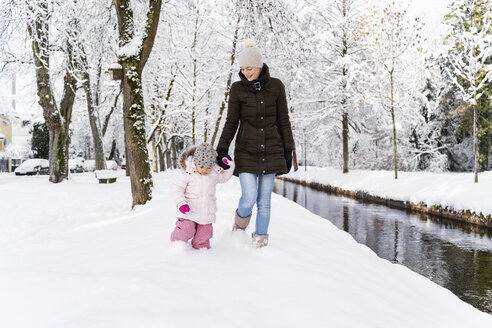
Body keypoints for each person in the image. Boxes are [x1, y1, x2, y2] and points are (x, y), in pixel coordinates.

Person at [216, 39, 295, 248]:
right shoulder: (237, 89)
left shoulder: (277, 87)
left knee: (265, 203)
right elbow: (232, 121)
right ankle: (238, 231)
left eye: (249, 68)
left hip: (272, 151)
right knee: (249, 197)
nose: (246, 72)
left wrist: (289, 150)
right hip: (246, 151)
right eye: (242, 69)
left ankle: (260, 244)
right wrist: (222, 148)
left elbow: (284, 120)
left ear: (259, 66)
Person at [171, 142, 235, 249]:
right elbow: (176, 189)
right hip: (189, 211)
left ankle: (201, 254)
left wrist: (229, 166)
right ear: (195, 162)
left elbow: (224, 177)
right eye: (201, 166)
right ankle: (177, 244)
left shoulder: (213, 174)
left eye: (208, 167)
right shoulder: (188, 173)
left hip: (206, 213)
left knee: (204, 235)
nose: (205, 170)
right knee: (186, 230)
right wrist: (181, 203)